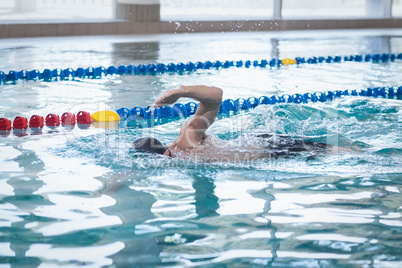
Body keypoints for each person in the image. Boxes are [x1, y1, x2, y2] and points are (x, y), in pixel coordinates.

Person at [133, 85, 341, 162]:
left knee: (339, 151)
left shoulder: (186, 142)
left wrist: (181, 92)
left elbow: (216, 96)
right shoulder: (177, 153)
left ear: (166, 153)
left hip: (272, 147)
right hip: (264, 148)